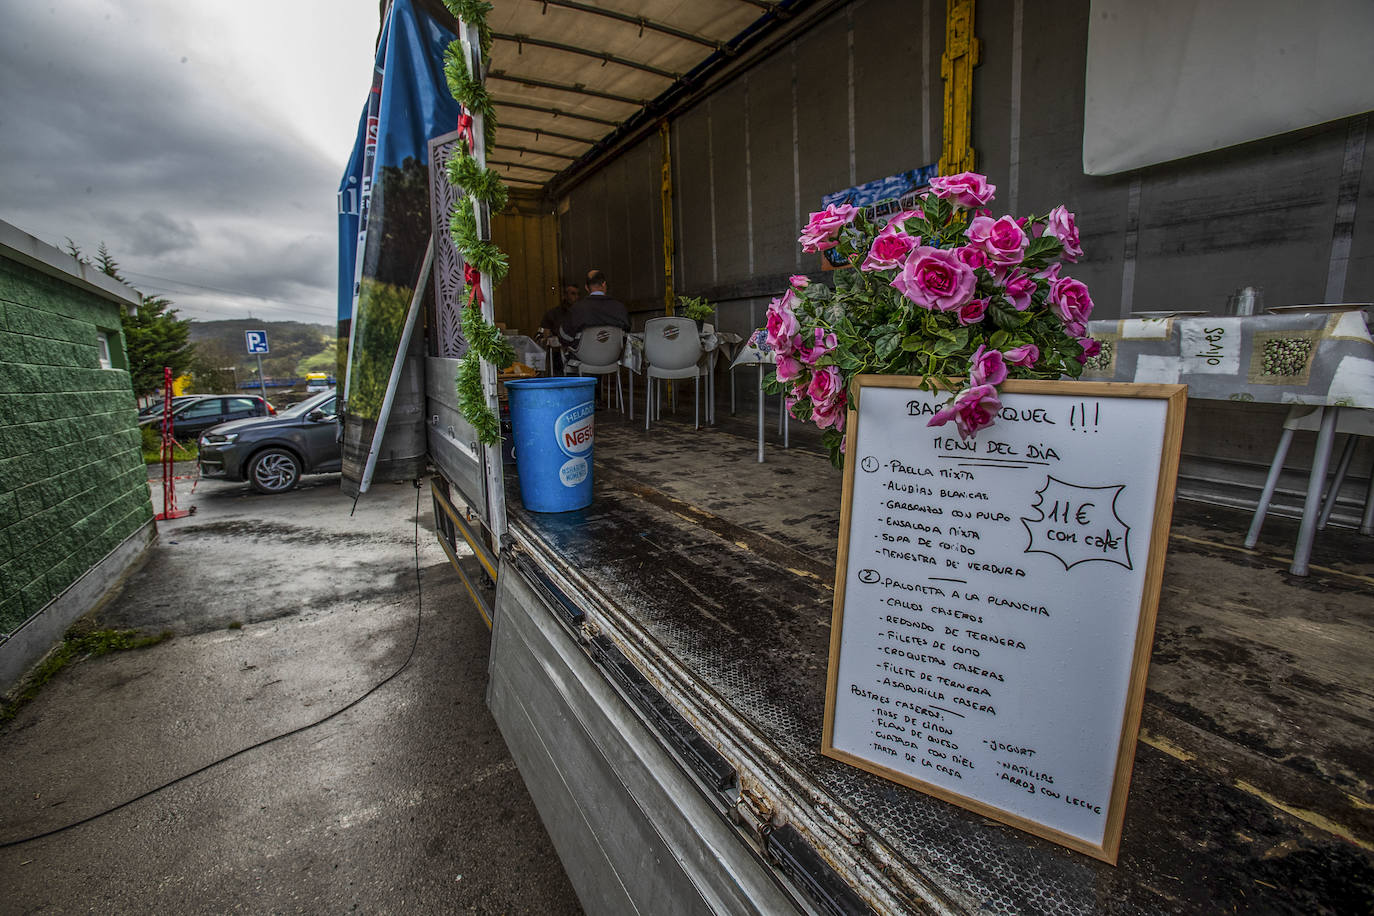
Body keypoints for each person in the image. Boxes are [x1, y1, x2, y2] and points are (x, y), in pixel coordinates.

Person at [559, 269, 630, 353]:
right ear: (604, 284)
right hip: (612, 361)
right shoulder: (620, 308)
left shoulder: (576, 309)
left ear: (586, 287)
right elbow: (625, 335)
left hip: (584, 361)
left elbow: (564, 337)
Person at [538, 284, 579, 374]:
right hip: (558, 352)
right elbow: (546, 336)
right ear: (565, 295)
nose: (575, 297)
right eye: (572, 293)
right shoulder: (553, 314)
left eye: (577, 294)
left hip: (579, 350)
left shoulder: (581, 313)